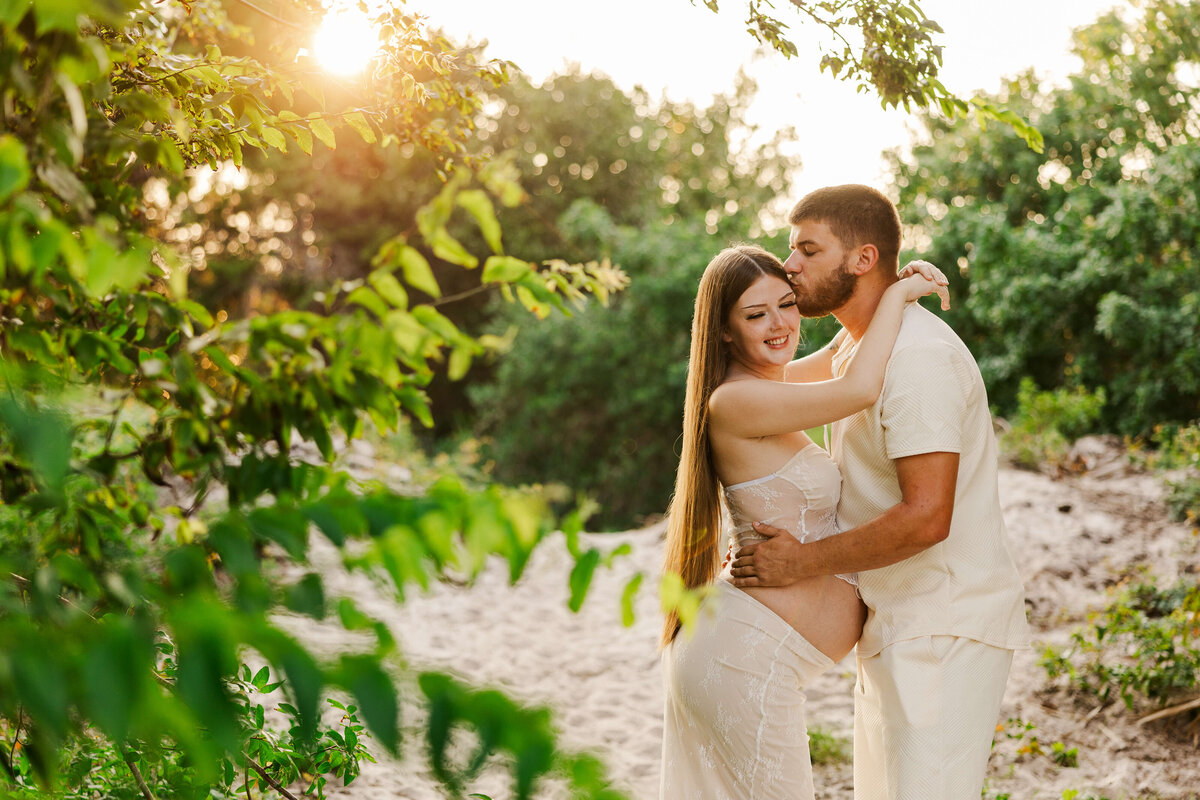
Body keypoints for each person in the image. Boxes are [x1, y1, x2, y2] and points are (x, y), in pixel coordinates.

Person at [730, 185, 1030, 800]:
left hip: (942, 626)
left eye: (807, 249)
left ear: (862, 259)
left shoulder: (918, 359)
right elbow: (772, 385)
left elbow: (927, 518)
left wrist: (800, 561)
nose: (790, 265)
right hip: (895, 623)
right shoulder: (862, 348)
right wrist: (896, 294)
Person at [660, 243, 949, 800]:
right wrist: (899, 294)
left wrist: (877, 290)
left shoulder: (771, 385)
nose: (779, 324)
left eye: (787, 304)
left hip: (749, 657)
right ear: (722, 331)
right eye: (755, 314)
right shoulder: (736, 401)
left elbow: (848, 350)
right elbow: (858, 387)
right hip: (742, 660)